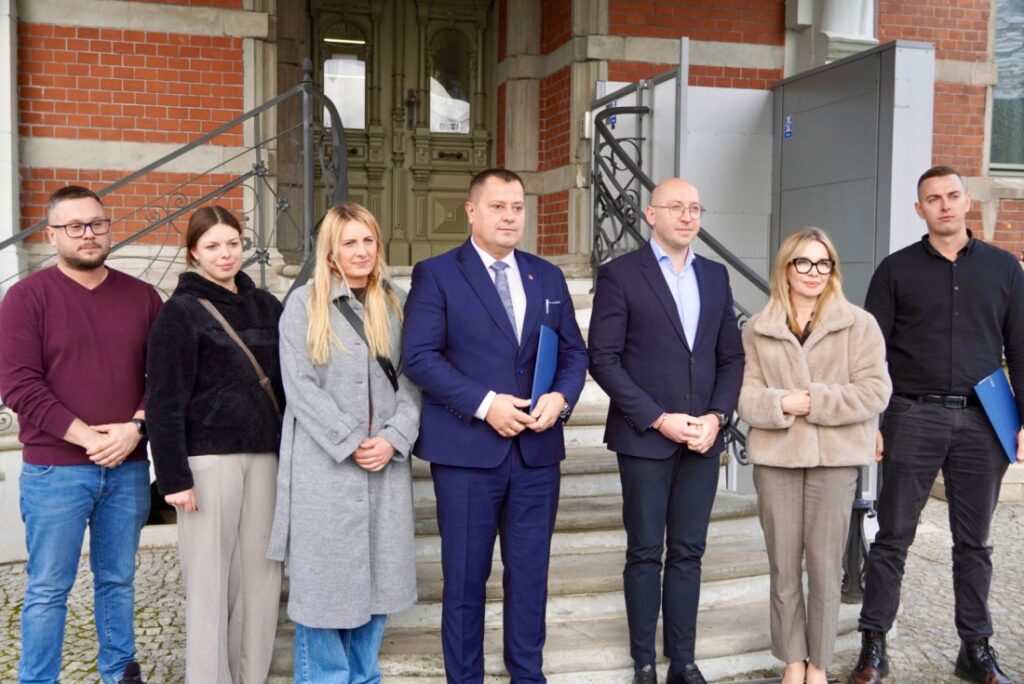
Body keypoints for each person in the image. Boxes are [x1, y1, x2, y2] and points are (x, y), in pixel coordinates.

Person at [402, 168, 588, 684]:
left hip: (537, 453)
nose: (510, 217)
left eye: (517, 207)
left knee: (530, 579)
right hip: (467, 454)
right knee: (465, 582)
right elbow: (419, 357)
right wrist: (486, 405)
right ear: (471, 211)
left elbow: (574, 352)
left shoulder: (546, 276)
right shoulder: (437, 274)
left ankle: (527, 675)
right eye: (498, 206)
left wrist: (560, 398)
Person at [850, 166, 1024, 684]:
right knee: (893, 538)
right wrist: (871, 421)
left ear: (966, 201)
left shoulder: (1004, 268)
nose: (944, 205)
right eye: (933, 198)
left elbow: (1020, 346)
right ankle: (873, 647)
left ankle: (976, 650)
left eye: (952, 195)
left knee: (975, 544)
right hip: (911, 416)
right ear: (919, 209)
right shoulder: (895, 270)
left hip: (983, 420)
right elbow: (870, 354)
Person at [0, 186, 162, 684]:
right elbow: (18, 384)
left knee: (118, 581)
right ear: (52, 235)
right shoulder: (27, 298)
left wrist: (137, 427)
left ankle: (119, 672)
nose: (88, 234)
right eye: (74, 226)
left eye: (97, 223)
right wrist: (89, 438)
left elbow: (163, 378)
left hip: (128, 467)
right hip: (55, 471)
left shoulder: (143, 297)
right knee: (49, 587)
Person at [588, 177, 744, 684]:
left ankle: (683, 661)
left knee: (689, 552)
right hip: (645, 438)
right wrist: (658, 418)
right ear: (650, 214)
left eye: (695, 207)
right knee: (645, 551)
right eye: (676, 207)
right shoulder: (620, 274)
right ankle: (644, 663)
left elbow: (731, 357)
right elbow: (603, 358)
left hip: (702, 438)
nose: (687, 216)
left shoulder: (715, 276)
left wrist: (717, 417)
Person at [267, 202, 422, 683]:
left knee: (379, 583)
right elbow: (299, 386)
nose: (360, 251)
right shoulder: (304, 304)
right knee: (323, 589)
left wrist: (394, 437)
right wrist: (352, 439)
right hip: (325, 468)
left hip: (385, 467)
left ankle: (364, 676)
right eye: (349, 242)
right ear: (330, 251)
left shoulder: (397, 302)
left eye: (368, 240)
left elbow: (415, 381)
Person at [736, 228, 891, 684]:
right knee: (783, 564)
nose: (814, 272)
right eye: (803, 262)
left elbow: (876, 390)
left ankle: (819, 664)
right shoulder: (758, 329)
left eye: (823, 263)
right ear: (786, 268)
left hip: (835, 460)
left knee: (825, 566)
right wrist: (782, 403)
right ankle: (792, 661)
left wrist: (816, 401)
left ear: (833, 270)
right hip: (776, 460)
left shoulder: (859, 324)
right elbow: (745, 396)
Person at [145, 206, 284, 683]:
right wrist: (173, 478)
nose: (225, 254)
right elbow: (164, 400)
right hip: (207, 461)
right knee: (209, 582)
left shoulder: (266, 306)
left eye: (232, 243)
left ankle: (251, 676)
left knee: (261, 578)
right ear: (193, 253)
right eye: (212, 246)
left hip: (266, 456)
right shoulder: (179, 312)